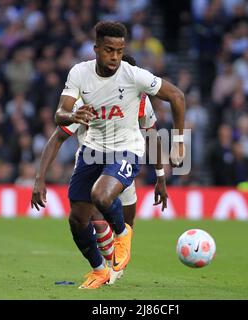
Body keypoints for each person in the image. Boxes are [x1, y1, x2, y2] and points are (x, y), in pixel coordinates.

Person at [52, 21, 185, 289]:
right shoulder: (79, 73)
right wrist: (72, 115)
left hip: (127, 149)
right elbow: (59, 115)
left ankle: (123, 234)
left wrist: (179, 144)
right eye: (109, 50)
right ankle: (100, 270)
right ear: (96, 49)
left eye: (120, 51)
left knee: (101, 195)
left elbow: (177, 97)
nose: (114, 57)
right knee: (77, 219)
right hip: (92, 151)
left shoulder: (134, 76)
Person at [31, 54, 168, 284]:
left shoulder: (142, 102)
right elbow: (57, 138)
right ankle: (103, 268)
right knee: (91, 212)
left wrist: (160, 176)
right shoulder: (89, 101)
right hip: (92, 160)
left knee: (125, 223)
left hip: (123, 161)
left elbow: (151, 136)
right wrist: (39, 177)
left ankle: (113, 263)